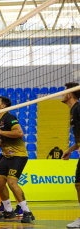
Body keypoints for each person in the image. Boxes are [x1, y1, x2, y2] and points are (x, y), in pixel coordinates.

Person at [0, 96, 34, 223]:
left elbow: (19, 133)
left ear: (3, 106)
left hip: (18, 155)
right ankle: (8, 211)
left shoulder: (9, 117)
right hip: (6, 155)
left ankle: (27, 212)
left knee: (12, 182)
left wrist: (0, 132)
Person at [0, 121, 23, 217]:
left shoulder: (8, 121)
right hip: (3, 154)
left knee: (11, 182)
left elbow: (18, 134)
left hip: (12, 153)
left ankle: (20, 206)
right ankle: (5, 205)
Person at [60, 82, 80, 228]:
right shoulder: (73, 110)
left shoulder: (78, 108)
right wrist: (71, 149)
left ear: (70, 94)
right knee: (78, 184)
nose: (62, 93)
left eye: (64, 91)